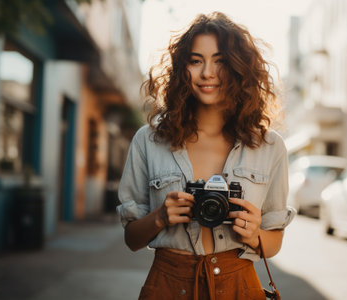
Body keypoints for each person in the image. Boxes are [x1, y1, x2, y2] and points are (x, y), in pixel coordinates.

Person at [117, 11, 295, 300]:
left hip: (239, 285)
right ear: (182, 69)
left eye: (220, 61)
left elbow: (273, 243)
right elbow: (131, 239)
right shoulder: (148, 140)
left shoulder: (269, 146)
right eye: (196, 60)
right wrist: (161, 216)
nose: (207, 73)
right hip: (168, 285)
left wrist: (254, 234)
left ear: (239, 69)